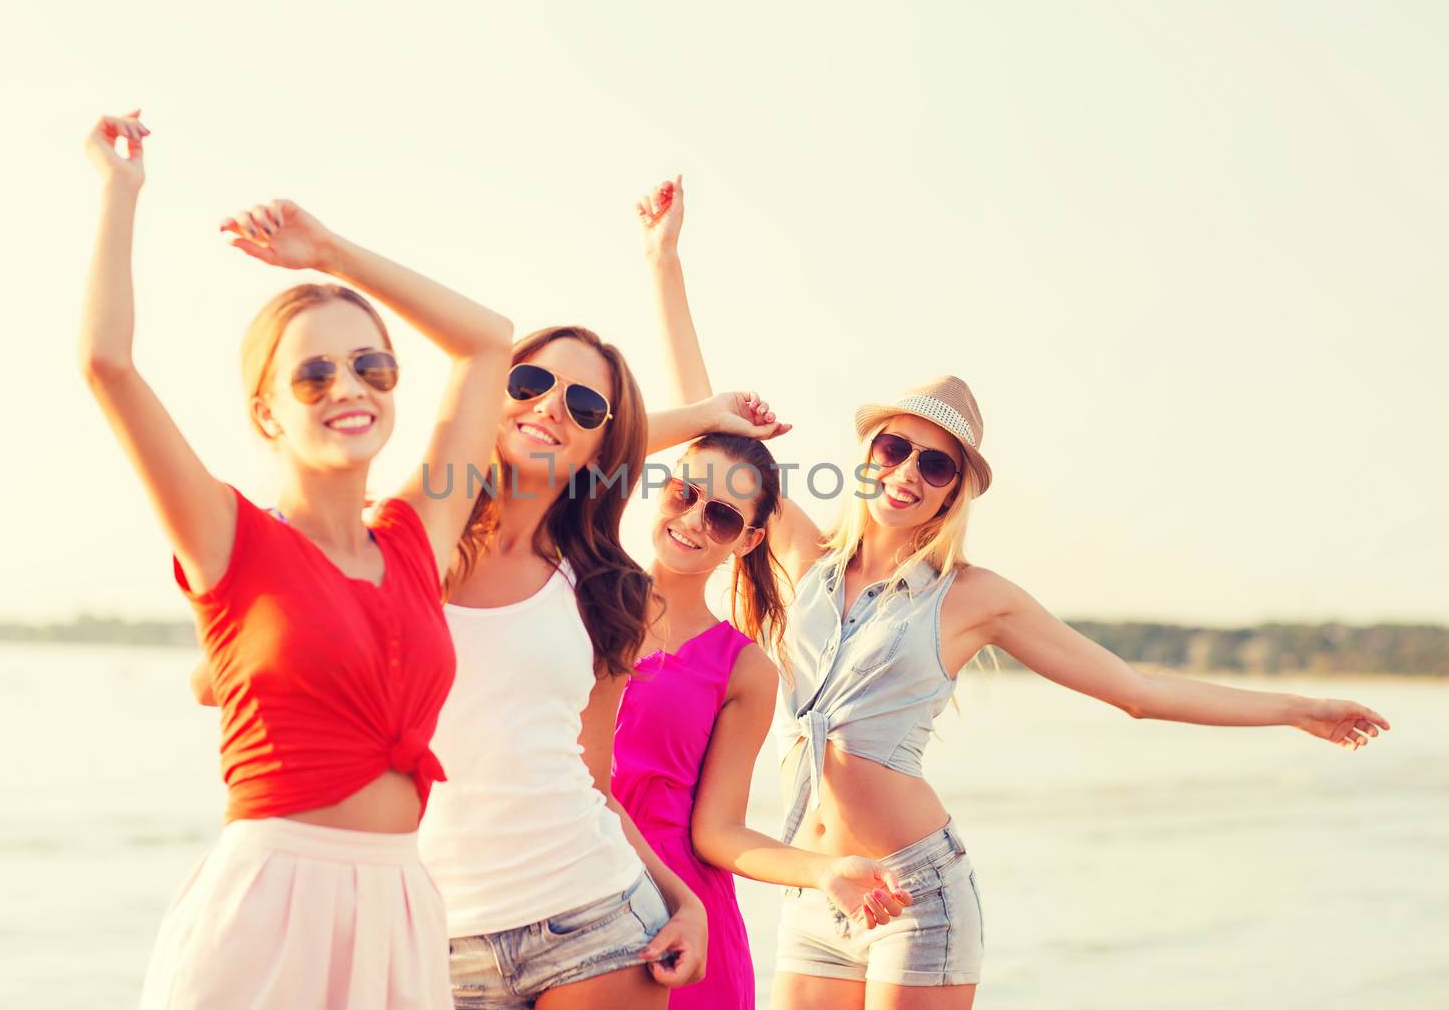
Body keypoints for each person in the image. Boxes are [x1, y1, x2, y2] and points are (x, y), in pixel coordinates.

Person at [641, 177, 1393, 1010]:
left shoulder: (970, 597)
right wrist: (663, 260)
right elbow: (716, 435)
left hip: (916, 898)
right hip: (817, 892)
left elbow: (1138, 692)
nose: (907, 473)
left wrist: (1295, 708)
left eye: (936, 465)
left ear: (954, 491)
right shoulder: (803, 556)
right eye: (896, 448)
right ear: (867, 454)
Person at [80, 111, 512, 1009]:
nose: (348, 387)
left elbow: (486, 344)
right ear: (268, 410)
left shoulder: (416, 538)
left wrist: (333, 256)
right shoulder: (227, 538)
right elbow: (107, 363)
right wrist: (120, 192)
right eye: (313, 375)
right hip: (268, 908)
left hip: (399, 903)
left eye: (371, 367)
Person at [611, 178, 913, 1010]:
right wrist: (662, 261)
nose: (693, 520)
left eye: (722, 514)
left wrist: (829, 872)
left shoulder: (742, 667)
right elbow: (707, 432)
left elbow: (718, 832)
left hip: (683, 924)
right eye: (682, 494)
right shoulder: (578, 596)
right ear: (657, 487)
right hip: (562, 893)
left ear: (749, 536)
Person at [414, 323, 711, 1009]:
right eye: (530, 383)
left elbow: (595, 781)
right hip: (437, 938)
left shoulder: (611, 589)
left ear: (602, 446)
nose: (549, 406)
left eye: (583, 406)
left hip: (599, 924)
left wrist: (683, 899)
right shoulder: (412, 545)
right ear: (495, 394)